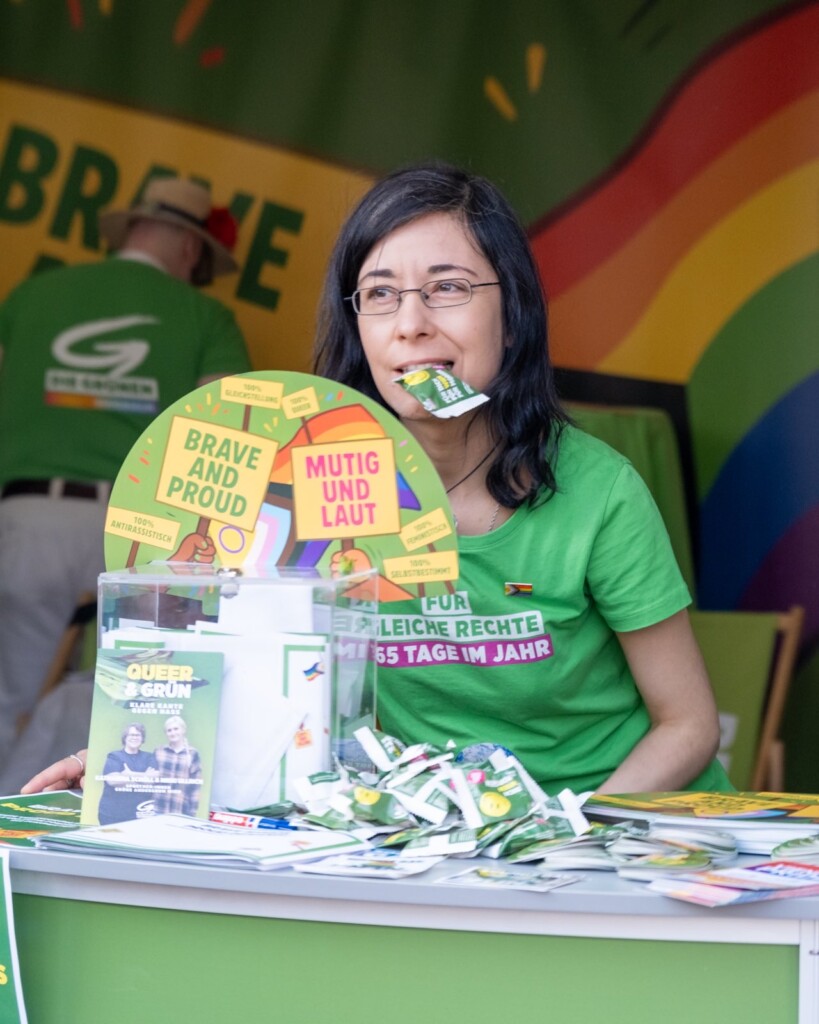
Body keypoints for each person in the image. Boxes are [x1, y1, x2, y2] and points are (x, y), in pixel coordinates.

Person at [23, 162, 730, 798]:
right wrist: (130, 755)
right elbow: (239, 691)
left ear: (511, 315)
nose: (411, 325)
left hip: (612, 830)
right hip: (430, 843)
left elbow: (688, 724)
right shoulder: (288, 487)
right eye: (380, 294)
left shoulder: (598, 490)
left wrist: (557, 833)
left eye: (448, 289)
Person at [0, 177, 252, 771]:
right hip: (139, 535)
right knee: (121, 701)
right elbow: (223, 439)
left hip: (24, 521)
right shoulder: (206, 315)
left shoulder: (32, 295)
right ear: (192, 251)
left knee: (6, 698)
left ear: (133, 227)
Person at [96, 723, 158, 825]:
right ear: (125, 738)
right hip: (112, 814)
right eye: (131, 735)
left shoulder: (149, 757)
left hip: (139, 815)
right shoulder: (114, 756)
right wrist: (144, 778)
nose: (134, 737)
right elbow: (112, 781)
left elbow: (152, 781)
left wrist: (129, 774)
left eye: (138, 735)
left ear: (142, 738)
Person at [151, 715, 203, 816]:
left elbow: (196, 785)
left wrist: (193, 811)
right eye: (169, 730)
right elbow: (151, 780)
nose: (173, 733)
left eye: (176, 729)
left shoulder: (192, 754)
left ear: (183, 730)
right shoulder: (159, 751)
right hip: (157, 808)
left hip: (180, 809)